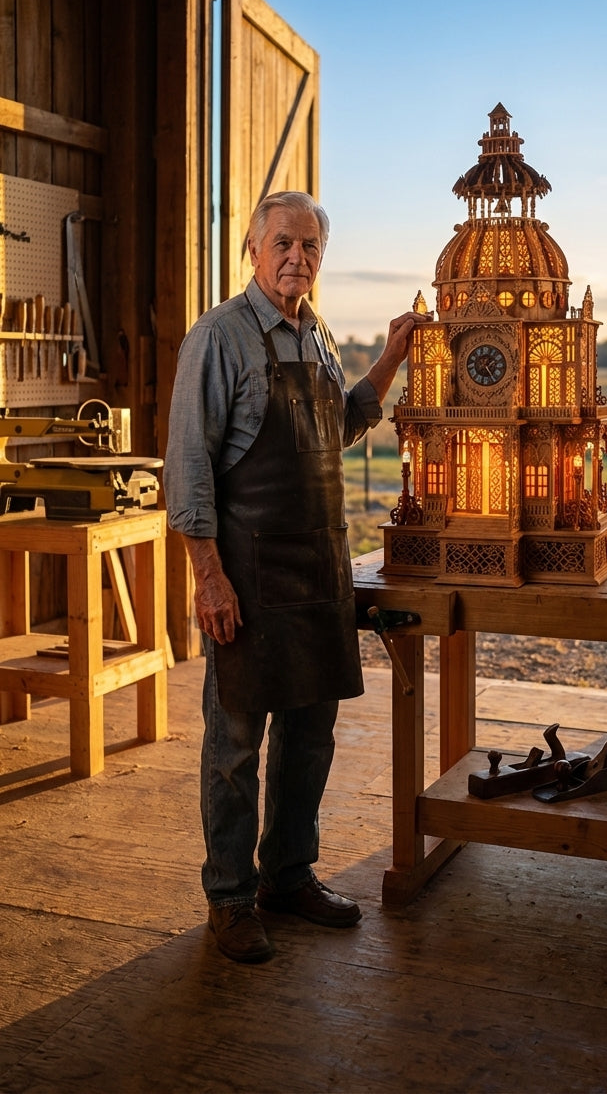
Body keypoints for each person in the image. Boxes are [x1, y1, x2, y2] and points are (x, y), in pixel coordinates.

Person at [164, 190, 430, 963]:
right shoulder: (218, 337)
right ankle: (231, 897)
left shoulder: (314, 337)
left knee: (310, 739)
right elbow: (188, 470)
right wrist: (209, 577)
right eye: (283, 242)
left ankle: (288, 876)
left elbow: (334, 428)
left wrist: (390, 360)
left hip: (317, 575)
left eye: (311, 246)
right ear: (253, 248)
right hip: (247, 577)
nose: (297, 258)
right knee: (237, 744)